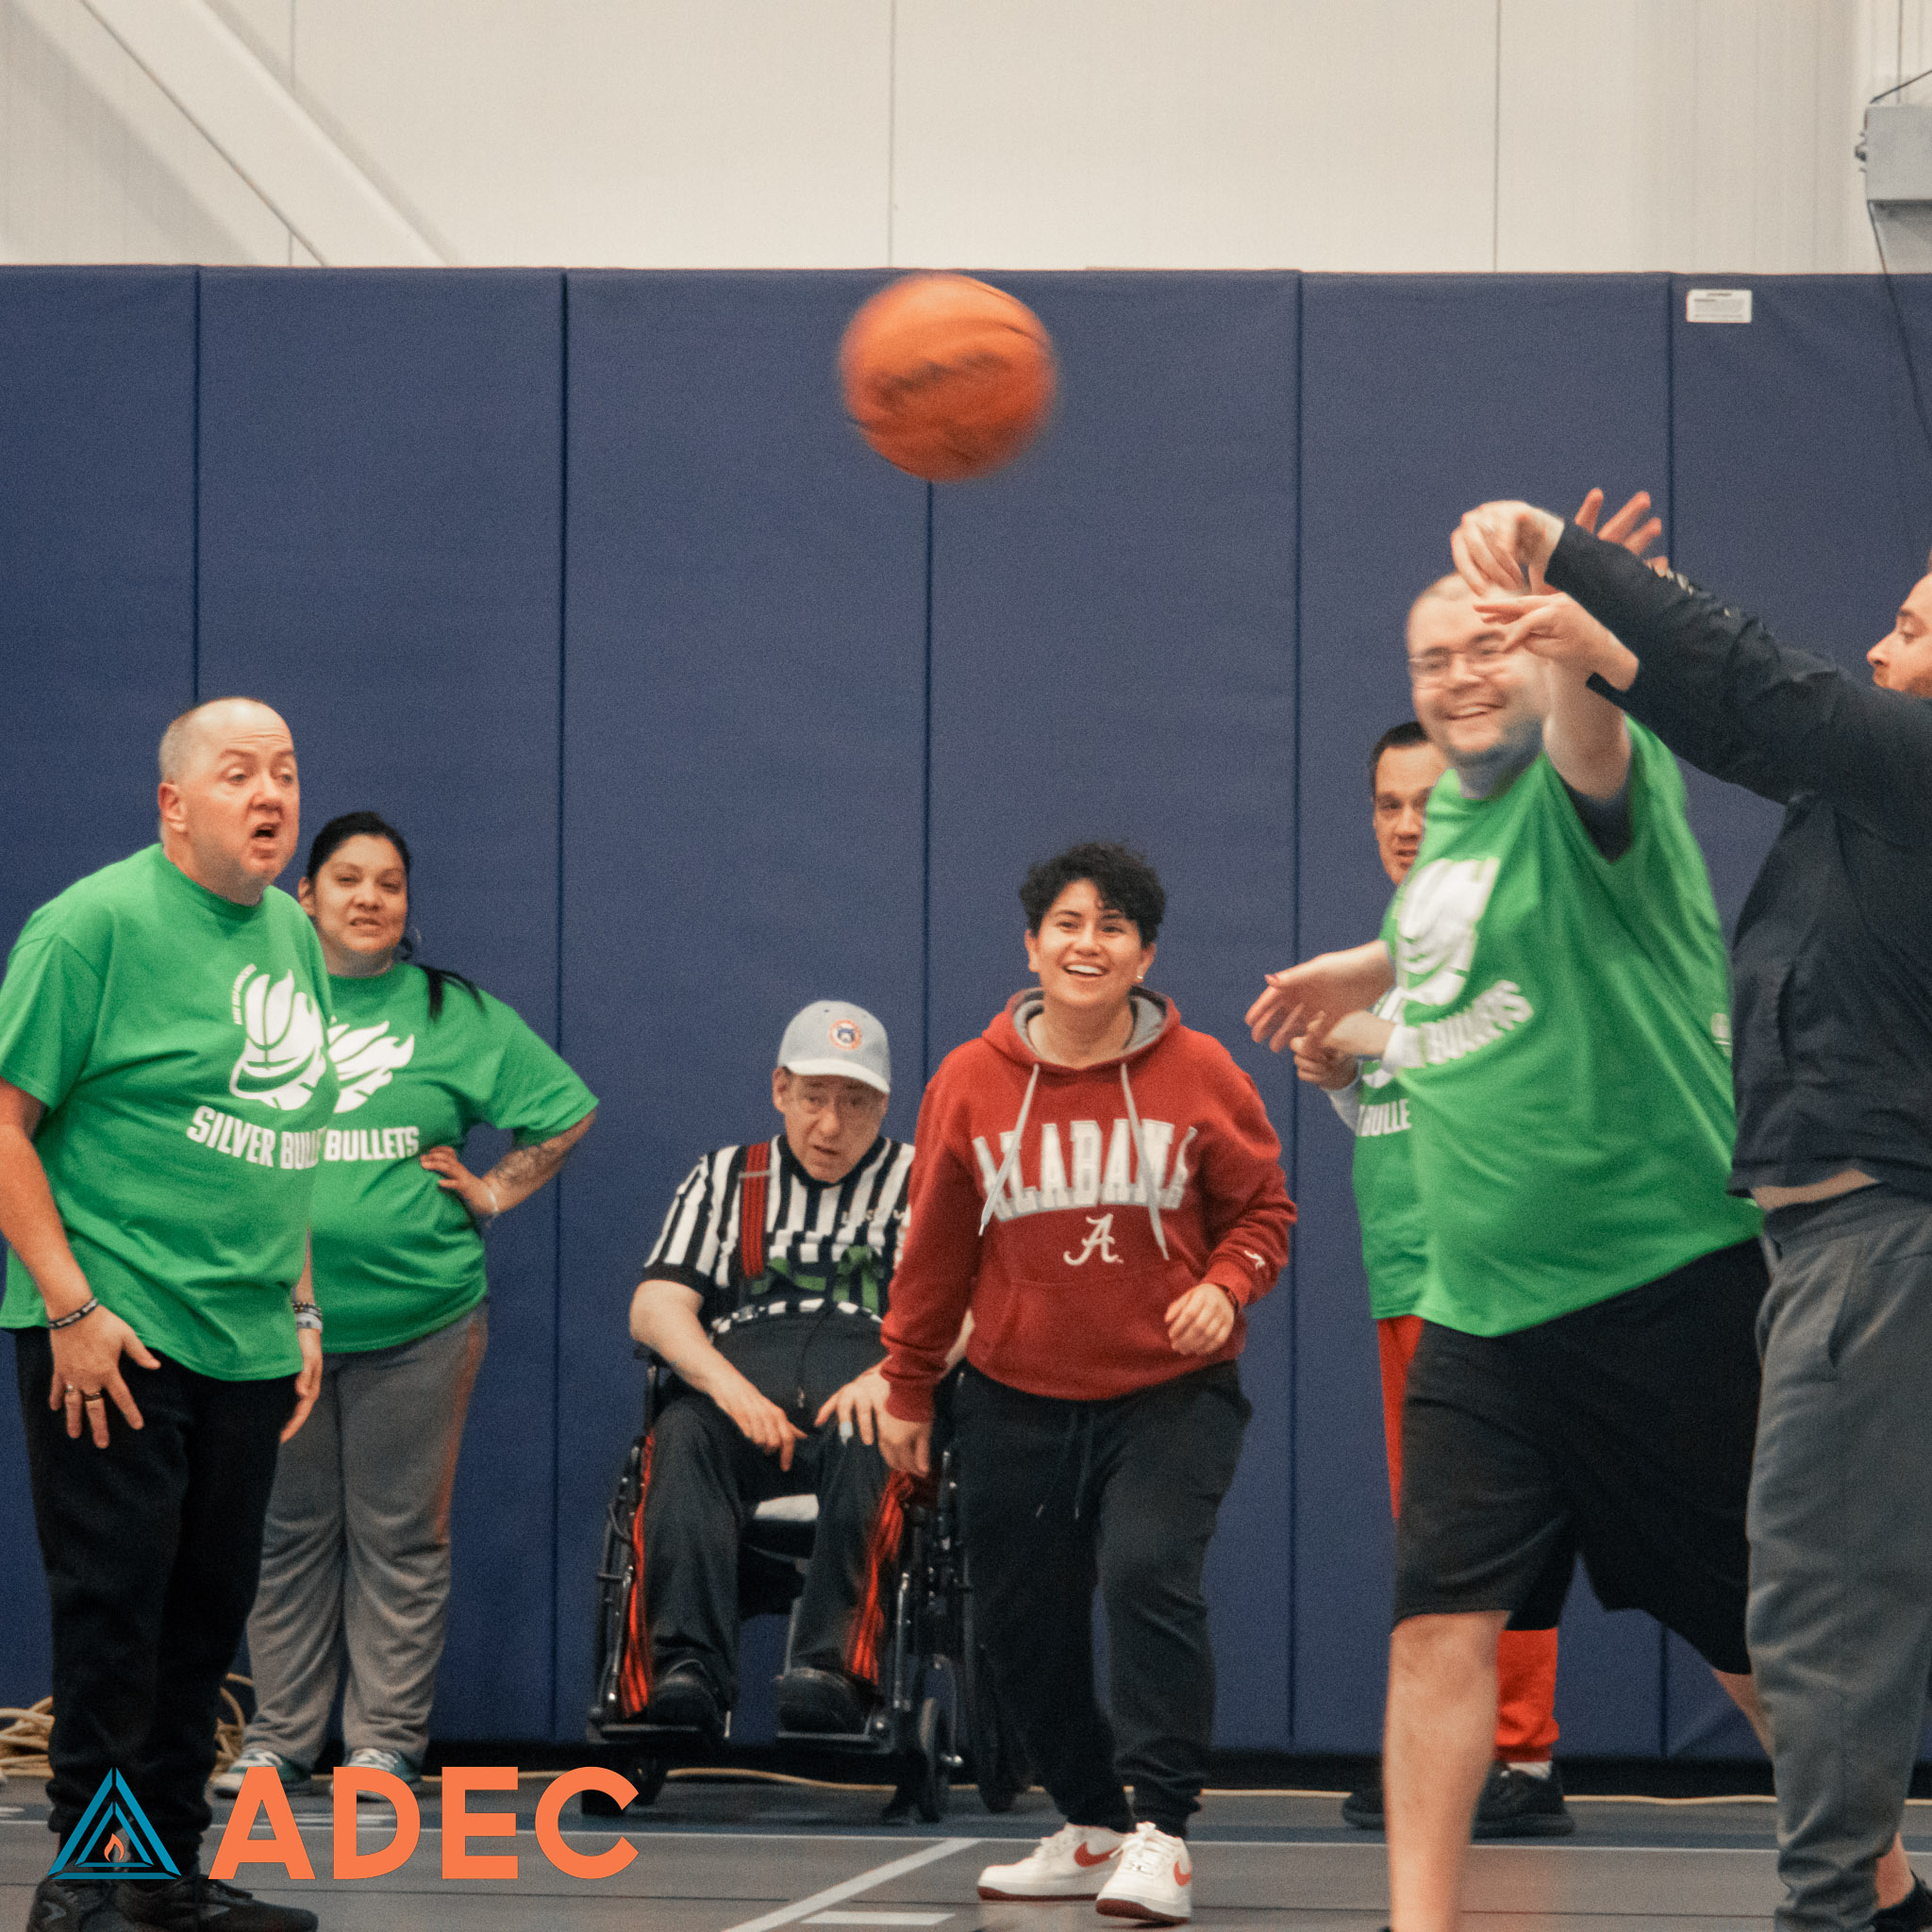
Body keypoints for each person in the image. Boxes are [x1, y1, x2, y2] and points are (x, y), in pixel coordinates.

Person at [1247, 493, 1773, 1932]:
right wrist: (1368, 974)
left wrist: (1575, 600)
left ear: (1539, 654)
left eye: (1486, 647)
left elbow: (1592, 724)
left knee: (1754, 1645)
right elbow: (1457, 965)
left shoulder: (1593, 782)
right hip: (1480, 1315)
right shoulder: (1448, 852)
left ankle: (1880, 1877)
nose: (1460, 676)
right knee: (1436, 1630)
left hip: (1662, 1291)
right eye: (1433, 659)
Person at [1450, 497, 1932, 1932]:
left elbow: (1755, 686)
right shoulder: (1862, 802)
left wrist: (1562, 548)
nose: (1879, 646)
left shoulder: (1912, 767)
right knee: (1831, 1594)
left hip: (1880, 1245)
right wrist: (1600, 636)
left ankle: (1836, 1910)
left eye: (1911, 629)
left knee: (1818, 1605)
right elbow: (1726, 711)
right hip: (1835, 1252)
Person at [878, 841, 1293, 1927]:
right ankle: (1091, 1821)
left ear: (1143, 955)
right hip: (1013, 1393)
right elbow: (933, 1253)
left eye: (1112, 926)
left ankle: (1160, 1830)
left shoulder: (1200, 1069)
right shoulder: (968, 1082)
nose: (1087, 942)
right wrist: (908, 1385)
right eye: (1067, 922)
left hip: (1170, 1391)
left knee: (1147, 1569)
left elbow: (1262, 1209)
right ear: (1031, 944)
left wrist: (1225, 1283)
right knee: (1019, 1618)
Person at [0, 698, 332, 1932]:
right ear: (173, 804)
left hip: (246, 1341)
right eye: (239, 772)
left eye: (285, 771)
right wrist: (70, 1306)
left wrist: (302, 1308)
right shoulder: (90, 926)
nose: (271, 793)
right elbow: (4, 1129)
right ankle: (89, 1881)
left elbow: (287, 1130)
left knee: (202, 1624)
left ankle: (162, 1876)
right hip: (114, 1331)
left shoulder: (290, 935)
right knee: (117, 1617)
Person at [214, 811, 597, 1801]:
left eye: (389, 883)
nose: (369, 898)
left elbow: (564, 1111)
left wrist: (496, 1189)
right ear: (305, 895)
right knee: (285, 1533)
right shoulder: (253, 998)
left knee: (399, 1537)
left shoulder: (452, 1013)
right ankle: (279, 1740)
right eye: (348, 878)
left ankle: (382, 1743)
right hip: (270, 1324)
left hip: (420, 1323)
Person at [1298, 722, 1570, 1840]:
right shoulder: (1396, 946)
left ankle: (1519, 1754)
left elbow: (1512, 1068)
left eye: (1427, 801)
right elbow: (1399, 1116)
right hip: (1406, 1272)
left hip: (1486, 1275)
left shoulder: (1500, 929)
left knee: (1491, 1521)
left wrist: (1378, 1035)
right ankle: (1451, 1751)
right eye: (1387, 804)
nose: (1405, 824)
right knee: (1433, 1528)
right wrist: (1339, 1074)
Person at [624, 1000, 917, 1739]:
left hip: (865, 1378)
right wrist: (728, 1387)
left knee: (879, 1431)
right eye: (814, 1098)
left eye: (855, 1103)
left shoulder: (920, 1180)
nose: (831, 1126)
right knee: (681, 1434)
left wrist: (895, 1374)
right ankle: (686, 1669)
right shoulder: (726, 1177)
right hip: (741, 1381)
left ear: (883, 1104)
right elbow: (655, 1307)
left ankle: (833, 1672)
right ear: (780, 1088)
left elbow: (968, 1310)